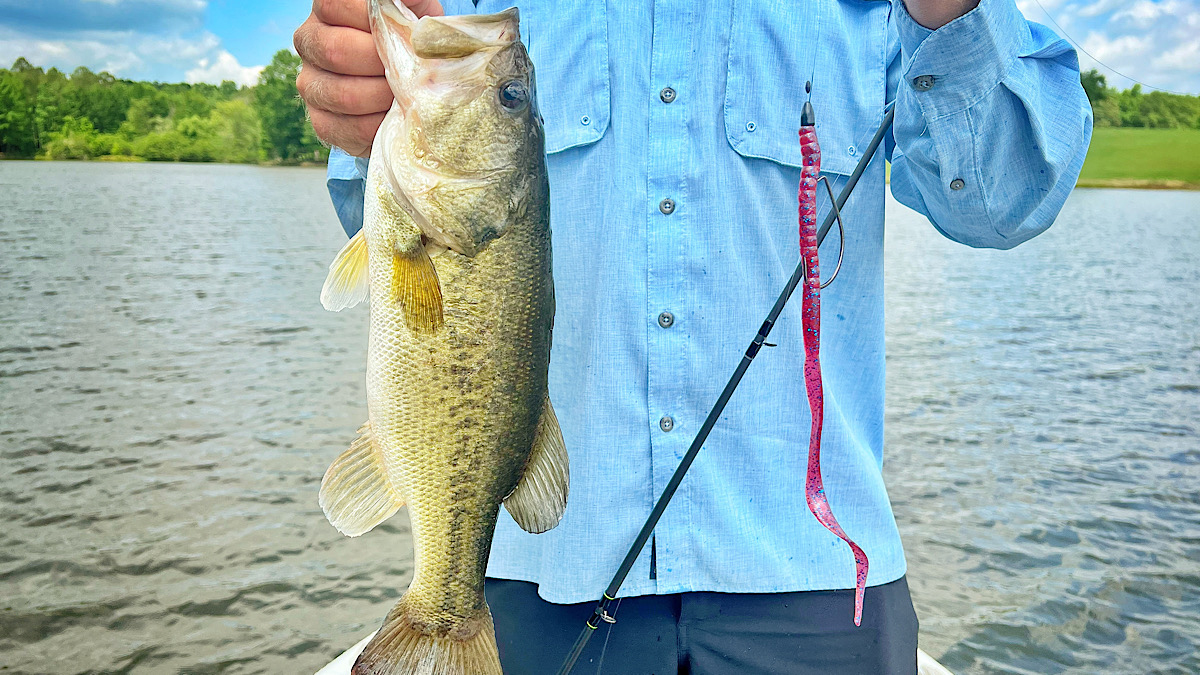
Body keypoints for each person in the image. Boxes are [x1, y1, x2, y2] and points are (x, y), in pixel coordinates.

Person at [294, 0, 1092, 672]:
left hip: (818, 584)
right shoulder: (474, 19)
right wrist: (360, 108)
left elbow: (1007, 199)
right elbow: (383, 218)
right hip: (531, 579)